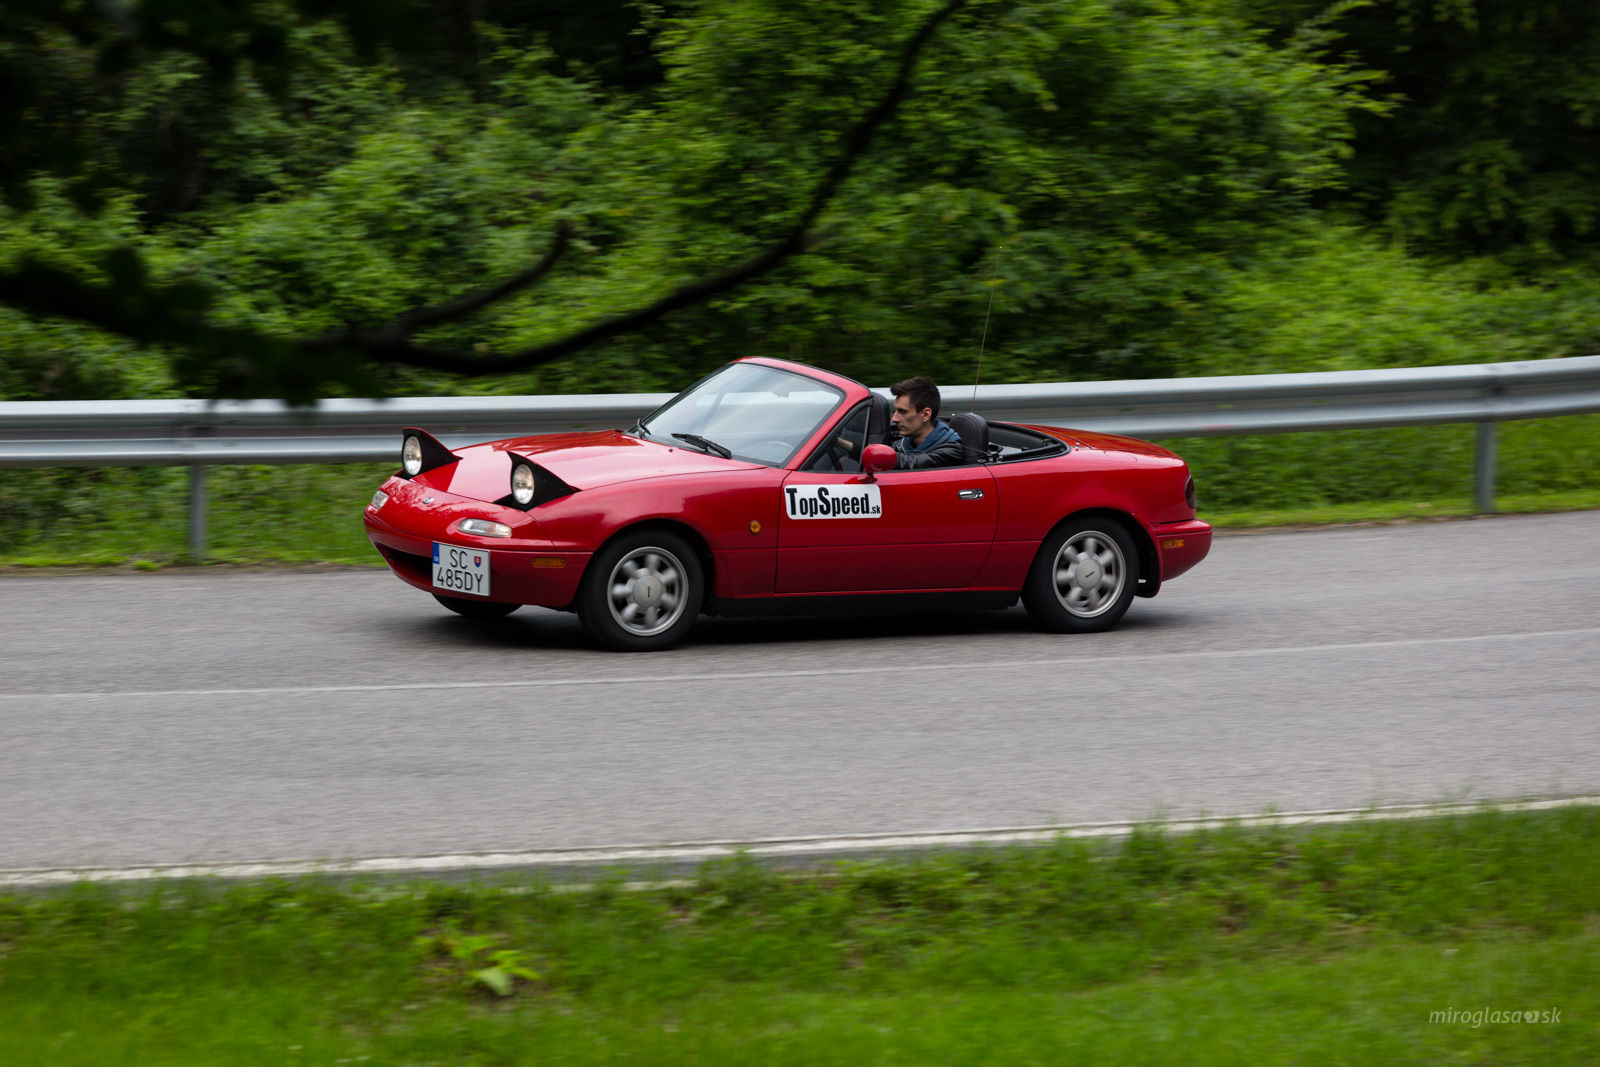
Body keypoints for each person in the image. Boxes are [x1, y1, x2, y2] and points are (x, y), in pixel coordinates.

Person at [887, 376, 963, 469]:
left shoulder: (950, 452)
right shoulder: (900, 445)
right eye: (895, 411)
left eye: (902, 412)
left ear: (926, 414)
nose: (894, 419)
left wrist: (879, 456)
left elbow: (913, 463)